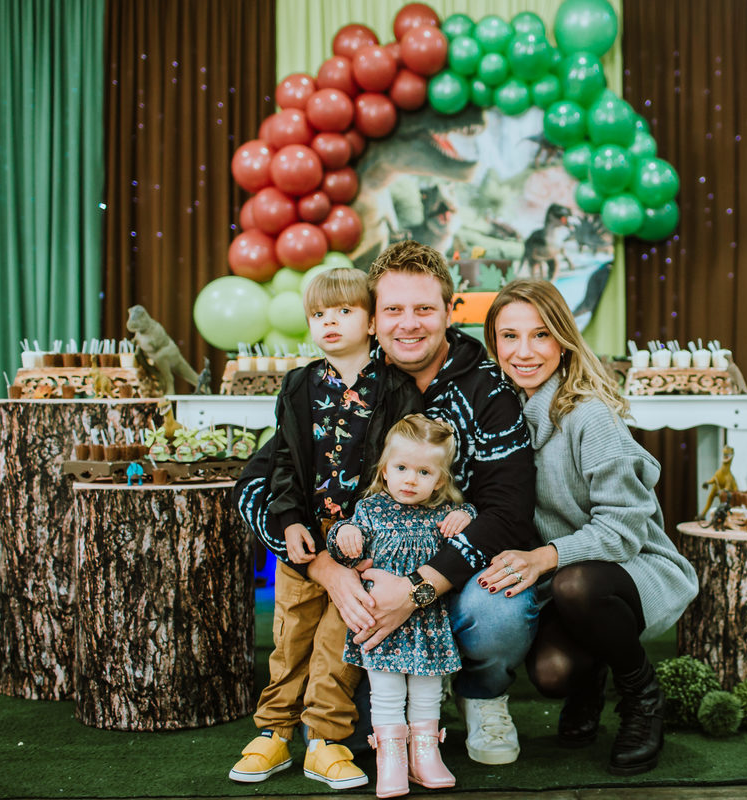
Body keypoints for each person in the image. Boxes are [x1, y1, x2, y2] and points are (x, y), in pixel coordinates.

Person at [236, 241, 540, 767]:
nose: (409, 323)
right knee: (355, 740)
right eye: (393, 309)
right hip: (363, 569)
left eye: (424, 308)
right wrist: (327, 568)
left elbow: (508, 512)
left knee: (497, 612)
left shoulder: (487, 389)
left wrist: (420, 588)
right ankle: (337, 713)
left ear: (451, 310)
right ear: (373, 318)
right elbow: (255, 486)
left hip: (450, 571)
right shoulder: (345, 383)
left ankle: (481, 692)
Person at [480, 279, 699, 775]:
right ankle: (590, 675)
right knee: (552, 674)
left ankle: (641, 695)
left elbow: (623, 529)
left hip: (627, 565)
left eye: (540, 335)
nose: (524, 351)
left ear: (563, 339)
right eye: (509, 336)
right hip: (560, 575)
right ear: (493, 344)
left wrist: (542, 558)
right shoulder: (500, 414)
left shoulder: (588, 417)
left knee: (575, 584)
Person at [230, 268, 421, 788]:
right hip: (306, 539)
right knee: (290, 636)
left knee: (341, 643)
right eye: (318, 314)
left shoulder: (398, 389)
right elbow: (285, 461)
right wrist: (289, 519)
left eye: (344, 311)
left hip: (364, 544)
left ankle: (326, 740)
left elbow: (399, 468)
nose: (329, 323)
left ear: (372, 320)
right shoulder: (298, 383)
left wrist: (367, 528)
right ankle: (272, 732)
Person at [327, 415, 475, 798]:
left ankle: (425, 754)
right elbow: (343, 549)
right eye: (402, 468)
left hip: (427, 621)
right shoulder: (371, 511)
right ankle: (390, 758)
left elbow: (475, 529)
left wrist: (466, 515)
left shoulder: (443, 515)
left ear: (439, 481)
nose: (410, 479)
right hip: (383, 623)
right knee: (387, 691)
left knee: (427, 689)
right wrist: (344, 533)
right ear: (385, 470)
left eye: (424, 472)